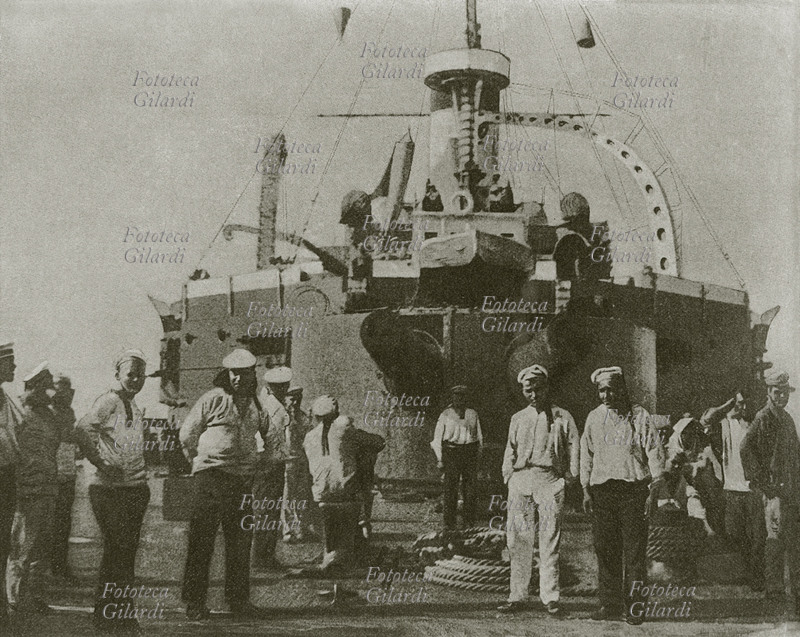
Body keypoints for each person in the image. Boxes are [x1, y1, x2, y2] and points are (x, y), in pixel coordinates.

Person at [179, 349, 269, 620]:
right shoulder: (213, 398)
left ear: (253, 374)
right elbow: (187, 434)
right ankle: (194, 603)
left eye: (244, 373)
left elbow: (271, 435)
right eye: (234, 373)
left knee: (241, 541)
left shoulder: (257, 404)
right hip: (211, 478)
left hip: (241, 481)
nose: (238, 378)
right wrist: (200, 463)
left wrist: (262, 463)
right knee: (201, 540)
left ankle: (238, 600)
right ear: (227, 374)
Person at [580, 366, 664, 624]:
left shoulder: (639, 416)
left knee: (635, 552)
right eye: (601, 390)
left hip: (633, 492)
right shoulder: (594, 418)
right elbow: (587, 454)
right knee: (605, 549)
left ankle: (636, 607)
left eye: (611, 389)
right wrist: (586, 489)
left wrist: (654, 489)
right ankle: (610, 604)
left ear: (621, 389)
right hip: (603, 492)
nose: (606, 395)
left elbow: (654, 452)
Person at [75, 349, 151, 633]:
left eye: (140, 375)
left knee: (124, 553)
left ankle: (118, 615)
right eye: (130, 374)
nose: (135, 379)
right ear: (118, 374)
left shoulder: (134, 406)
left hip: (133, 488)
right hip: (108, 490)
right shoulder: (109, 400)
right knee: (118, 550)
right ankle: (111, 617)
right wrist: (101, 462)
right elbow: (82, 430)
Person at [497, 364, 579, 615]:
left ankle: (550, 597)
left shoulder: (563, 417)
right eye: (528, 390)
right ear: (523, 390)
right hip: (522, 479)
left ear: (547, 388)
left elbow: (574, 445)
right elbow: (509, 450)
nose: (534, 395)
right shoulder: (518, 418)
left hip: (549, 480)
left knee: (549, 540)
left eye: (538, 389)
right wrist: (509, 476)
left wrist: (569, 477)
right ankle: (517, 596)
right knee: (518, 540)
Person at [741, 370, 800, 614]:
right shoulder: (763, 417)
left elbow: (795, 453)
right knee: (774, 540)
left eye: (785, 392)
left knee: (793, 541)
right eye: (778, 392)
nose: (782, 396)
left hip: (791, 489)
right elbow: (746, 449)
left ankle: (792, 591)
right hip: (774, 491)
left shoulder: (786, 418)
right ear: (769, 392)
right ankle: (774, 590)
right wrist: (762, 484)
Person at [303, 398, 385, 573]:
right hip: (345, 492)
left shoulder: (309, 437)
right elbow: (378, 442)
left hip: (320, 494)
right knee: (364, 457)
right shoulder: (345, 430)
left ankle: (332, 552)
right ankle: (356, 541)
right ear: (336, 413)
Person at [7, 362, 59, 615]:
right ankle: (14, 598)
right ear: (33, 388)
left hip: (48, 488)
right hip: (27, 490)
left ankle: (36, 597)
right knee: (22, 547)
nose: (50, 394)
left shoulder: (49, 416)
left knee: (42, 547)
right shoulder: (17, 411)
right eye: (44, 389)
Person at [713, 392, 766, 591]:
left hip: (753, 488)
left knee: (758, 535)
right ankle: (747, 570)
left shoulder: (758, 424)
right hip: (732, 488)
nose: (743, 408)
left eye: (746, 404)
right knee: (735, 533)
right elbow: (706, 420)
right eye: (739, 404)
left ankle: (757, 577)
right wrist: (725, 407)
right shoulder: (725, 424)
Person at [251, 366, 292, 569]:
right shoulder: (273, 407)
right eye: (282, 386)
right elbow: (268, 437)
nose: (285, 388)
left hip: (271, 463)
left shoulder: (271, 403)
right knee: (267, 512)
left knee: (268, 511)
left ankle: (264, 556)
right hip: (269, 465)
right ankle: (262, 558)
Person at [430, 385, 483, 533]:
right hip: (452, 453)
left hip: (469, 453)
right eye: (456, 396)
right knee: (450, 489)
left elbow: (479, 438)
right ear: (452, 397)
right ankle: (449, 523)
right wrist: (440, 459)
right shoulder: (445, 415)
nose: (459, 399)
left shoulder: (473, 414)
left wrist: (478, 458)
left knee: (470, 490)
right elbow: (437, 438)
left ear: (466, 398)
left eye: (462, 396)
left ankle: (469, 523)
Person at [0, 339, 21, 628]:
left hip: (6, 477)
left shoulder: (5, 396)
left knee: (4, 545)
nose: (14, 366)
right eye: (10, 362)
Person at [50, 374, 79, 581]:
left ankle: (60, 565)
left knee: (63, 522)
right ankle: (51, 567)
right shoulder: (49, 413)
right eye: (61, 389)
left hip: (68, 473)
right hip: (52, 474)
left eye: (67, 390)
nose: (65, 394)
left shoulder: (69, 413)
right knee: (50, 523)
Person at [282, 386, 316, 542]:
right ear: (285, 399)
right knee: (287, 497)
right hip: (286, 462)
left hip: (301, 461)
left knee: (302, 496)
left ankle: (301, 527)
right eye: (292, 398)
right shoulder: (280, 416)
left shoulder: (303, 417)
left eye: (298, 399)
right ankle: (288, 530)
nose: (295, 402)